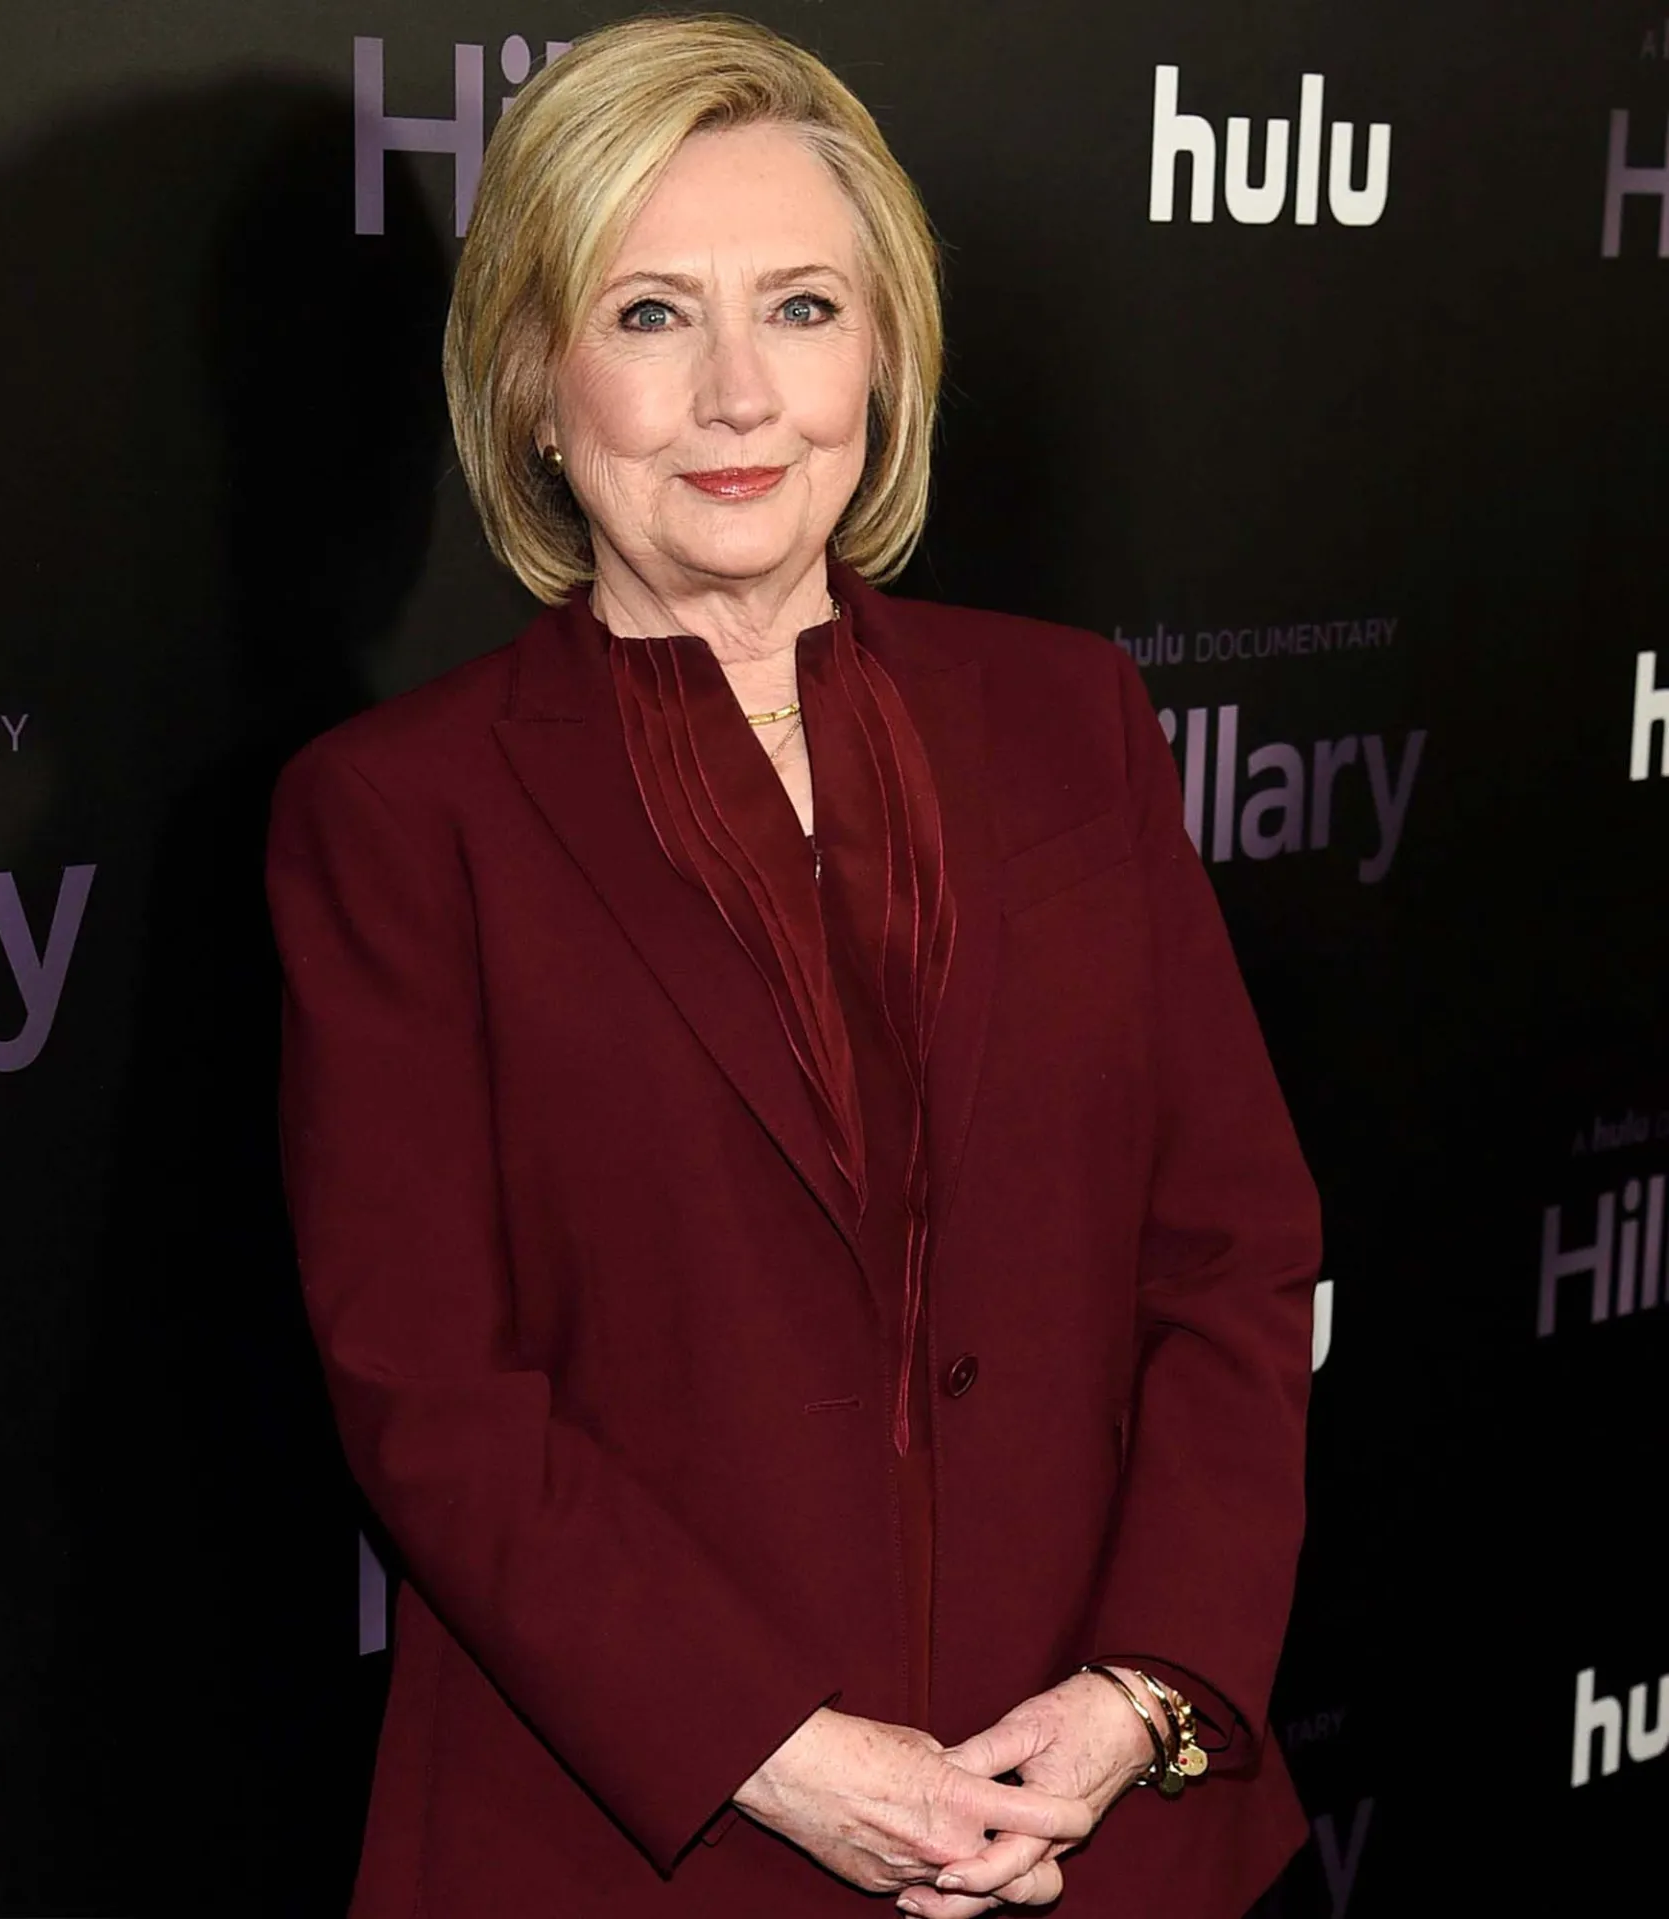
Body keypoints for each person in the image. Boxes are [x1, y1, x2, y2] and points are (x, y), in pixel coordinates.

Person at [265, 13, 1321, 1917]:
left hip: (1109, 1836)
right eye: (650, 315)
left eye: (804, 308)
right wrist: (773, 1749)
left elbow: (1230, 1248)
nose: (740, 395)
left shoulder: (1068, 718)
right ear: (532, 381)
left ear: (884, 354)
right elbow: (429, 1387)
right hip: (638, 1843)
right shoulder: (399, 814)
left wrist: (1144, 1691)